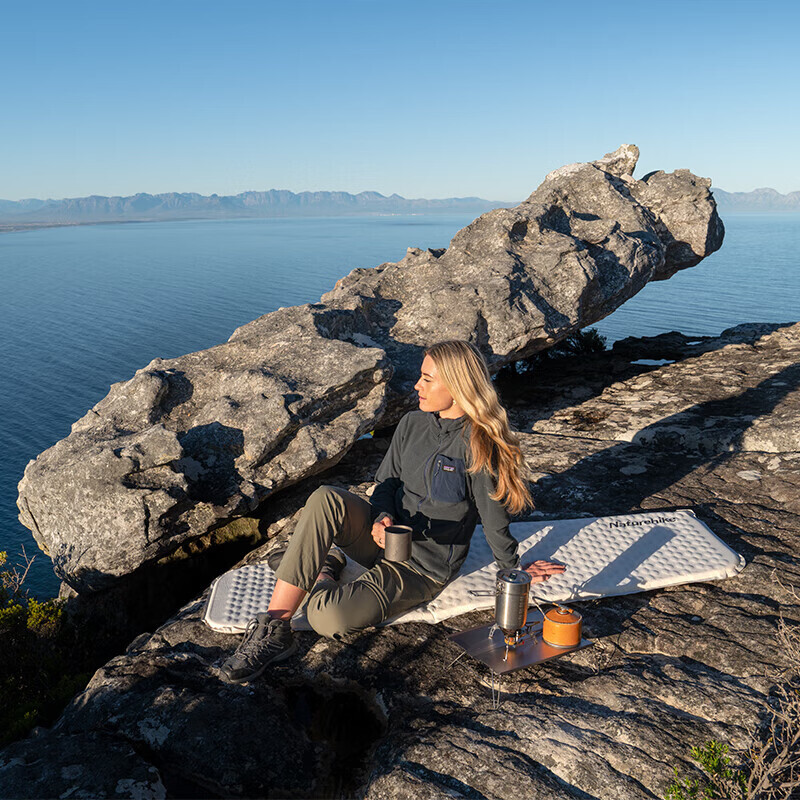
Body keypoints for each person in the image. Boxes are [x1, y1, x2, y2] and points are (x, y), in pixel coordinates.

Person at [220, 340, 565, 683]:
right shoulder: (412, 424)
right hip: (382, 540)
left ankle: (322, 570)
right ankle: (275, 629)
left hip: (422, 567)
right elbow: (385, 483)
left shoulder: (479, 445)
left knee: (327, 618)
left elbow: (494, 521)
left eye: (427, 379)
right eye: (420, 376)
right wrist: (381, 516)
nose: (417, 385)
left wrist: (514, 572)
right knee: (326, 498)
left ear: (457, 386)